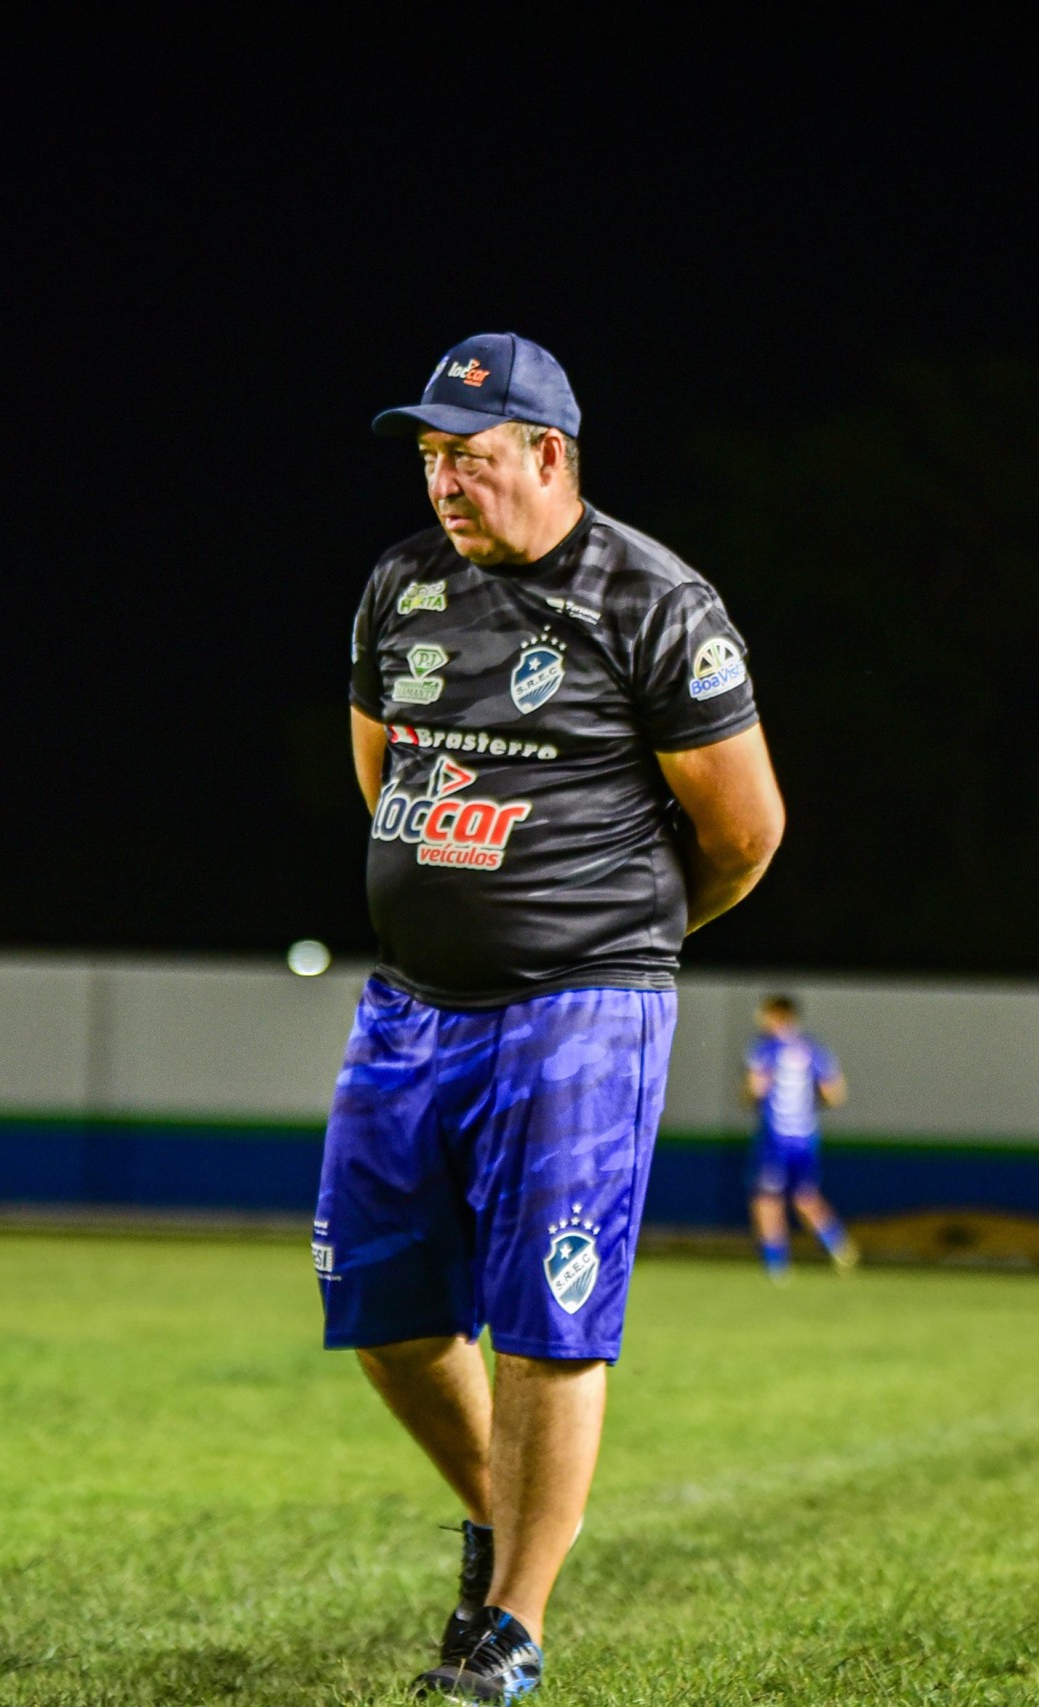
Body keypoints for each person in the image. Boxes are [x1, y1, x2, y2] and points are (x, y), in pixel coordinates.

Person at [317, 333, 785, 1700]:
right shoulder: (402, 583)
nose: (444, 483)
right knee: (383, 1307)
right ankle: (499, 1515)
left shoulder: (656, 600)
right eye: (428, 457)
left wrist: (609, 937)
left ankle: (511, 1619)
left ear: (549, 455)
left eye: (468, 456)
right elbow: (380, 774)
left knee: (546, 1315)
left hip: (580, 1009)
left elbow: (746, 832)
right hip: (412, 1006)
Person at [742, 995, 856, 1281]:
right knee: (805, 1197)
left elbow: (755, 1089)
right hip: (806, 1136)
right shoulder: (814, 1050)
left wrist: (749, 1096)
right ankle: (839, 1245)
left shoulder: (765, 1049)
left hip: (776, 1136)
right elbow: (835, 1094)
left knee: (766, 1199)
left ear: (778, 1015)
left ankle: (776, 1266)